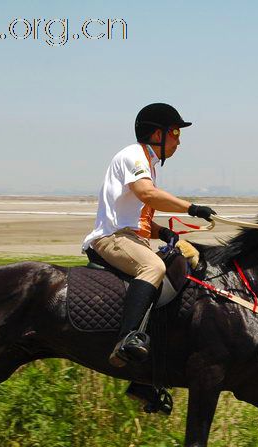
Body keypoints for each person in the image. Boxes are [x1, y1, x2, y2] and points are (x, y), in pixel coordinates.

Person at [81, 103, 216, 413]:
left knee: (176, 274)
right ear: (158, 133)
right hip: (112, 239)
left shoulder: (148, 162)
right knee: (152, 266)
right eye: (176, 133)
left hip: (132, 236)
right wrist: (190, 208)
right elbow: (147, 195)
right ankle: (126, 340)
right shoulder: (134, 156)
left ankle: (147, 376)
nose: (179, 141)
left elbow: (138, 215)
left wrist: (163, 233)